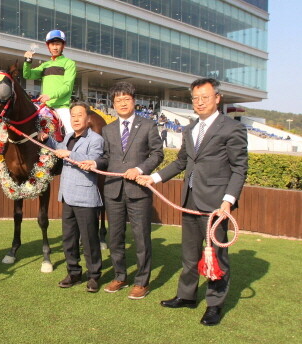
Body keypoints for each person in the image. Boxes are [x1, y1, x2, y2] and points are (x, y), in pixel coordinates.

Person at [136, 78, 248, 326]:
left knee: (216, 257)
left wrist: (228, 201)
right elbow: (181, 162)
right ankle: (186, 296)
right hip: (189, 200)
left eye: (205, 97)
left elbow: (239, 169)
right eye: (195, 98)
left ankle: (214, 305)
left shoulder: (232, 128)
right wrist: (153, 178)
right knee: (189, 255)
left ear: (217, 98)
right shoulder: (190, 128)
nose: (199, 102)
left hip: (216, 205)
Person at [79, 82, 163, 299]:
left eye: (126, 99)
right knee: (115, 238)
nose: (122, 103)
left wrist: (140, 168)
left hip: (139, 191)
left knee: (141, 237)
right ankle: (120, 276)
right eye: (118, 101)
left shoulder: (148, 125)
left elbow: (157, 154)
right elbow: (106, 158)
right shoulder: (107, 129)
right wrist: (95, 163)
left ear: (134, 101)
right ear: (113, 104)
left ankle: (142, 281)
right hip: (113, 191)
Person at [39, 102, 104, 292]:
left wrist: (69, 153)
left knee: (90, 239)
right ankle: (73, 272)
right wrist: (47, 140)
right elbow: (58, 148)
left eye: (79, 115)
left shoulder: (96, 139)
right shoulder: (68, 136)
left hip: (85, 197)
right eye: (73, 116)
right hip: (67, 196)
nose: (75, 119)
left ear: (88, 118)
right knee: (69, 239)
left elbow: (90, 159)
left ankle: (93, 276)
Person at [23, 29, 76, 135]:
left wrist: (50, 96)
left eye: (58, 44)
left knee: (72, 133)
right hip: (44, 107)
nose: (55, 47)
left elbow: (67, 87)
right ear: (48, 46)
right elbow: (27, 75)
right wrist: (27, 61)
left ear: (63, 46)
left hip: (61, 107)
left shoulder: (69, 63)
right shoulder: (45, 65)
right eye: (52, 44)